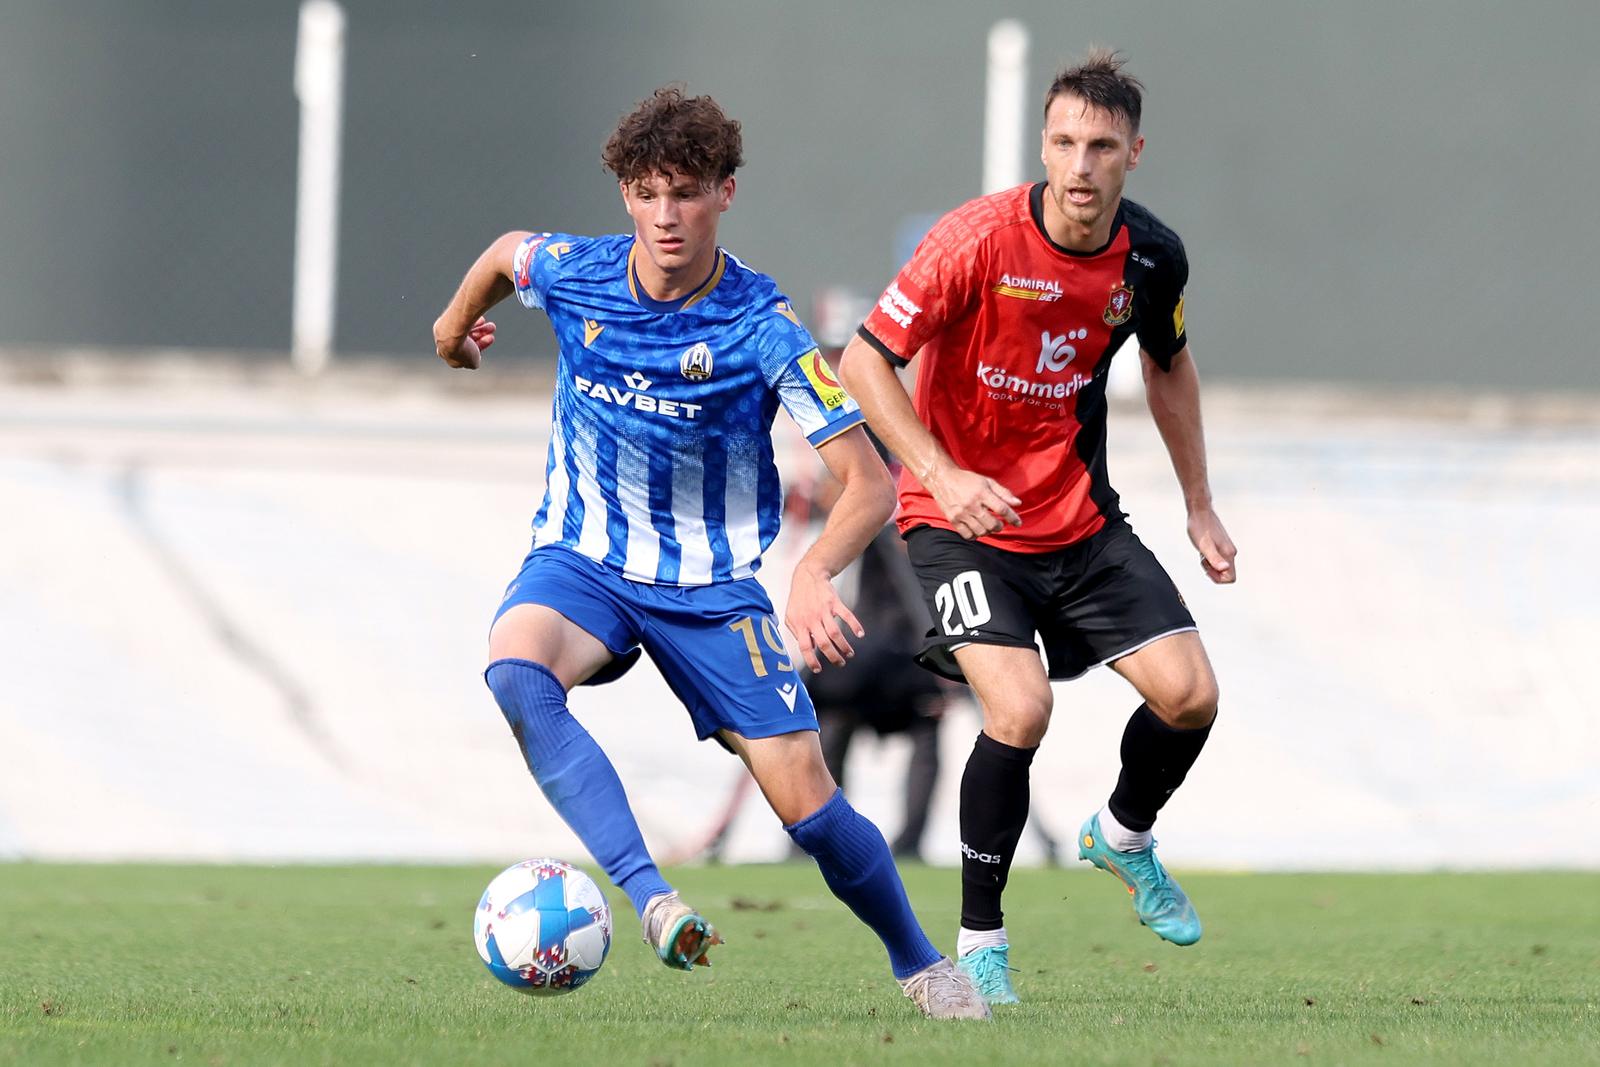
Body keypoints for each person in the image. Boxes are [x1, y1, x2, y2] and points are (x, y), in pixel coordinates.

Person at [431, 86, 988, 1020]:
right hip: (586, 557)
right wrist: (453, 332)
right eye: (646, 193)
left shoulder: (762, 326)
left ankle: (923, 963)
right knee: (515, 670)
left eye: (685, 193)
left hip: (713, 587)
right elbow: (503, 254)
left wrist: (812, 573)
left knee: (808, 806)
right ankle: (651, 897)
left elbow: (869, 482)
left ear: (724, 193)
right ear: (623, 195)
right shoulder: (577, 272)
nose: (664, 216)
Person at [838, 50, 1237, 1006]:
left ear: (1134, 153)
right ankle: (981, 940)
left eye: (1102, 145)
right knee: (1019, 711)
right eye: (1064, 142)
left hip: (1078, 520)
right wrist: (940, 472)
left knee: (1191, 697)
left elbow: (1169, 366)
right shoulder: (972, 241)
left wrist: (1198, 502)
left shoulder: (1151, 256)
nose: (1081, 164)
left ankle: (1124, 835)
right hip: (956, 520)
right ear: (1043, 146)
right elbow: (862, 362)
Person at [793, 425, 952, 862]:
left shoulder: (880, 488)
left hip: (871, 648)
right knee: (918, 729)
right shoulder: (921, 487)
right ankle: (907, 844)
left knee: (837, 722)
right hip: (907, 650)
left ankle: (822, 838)